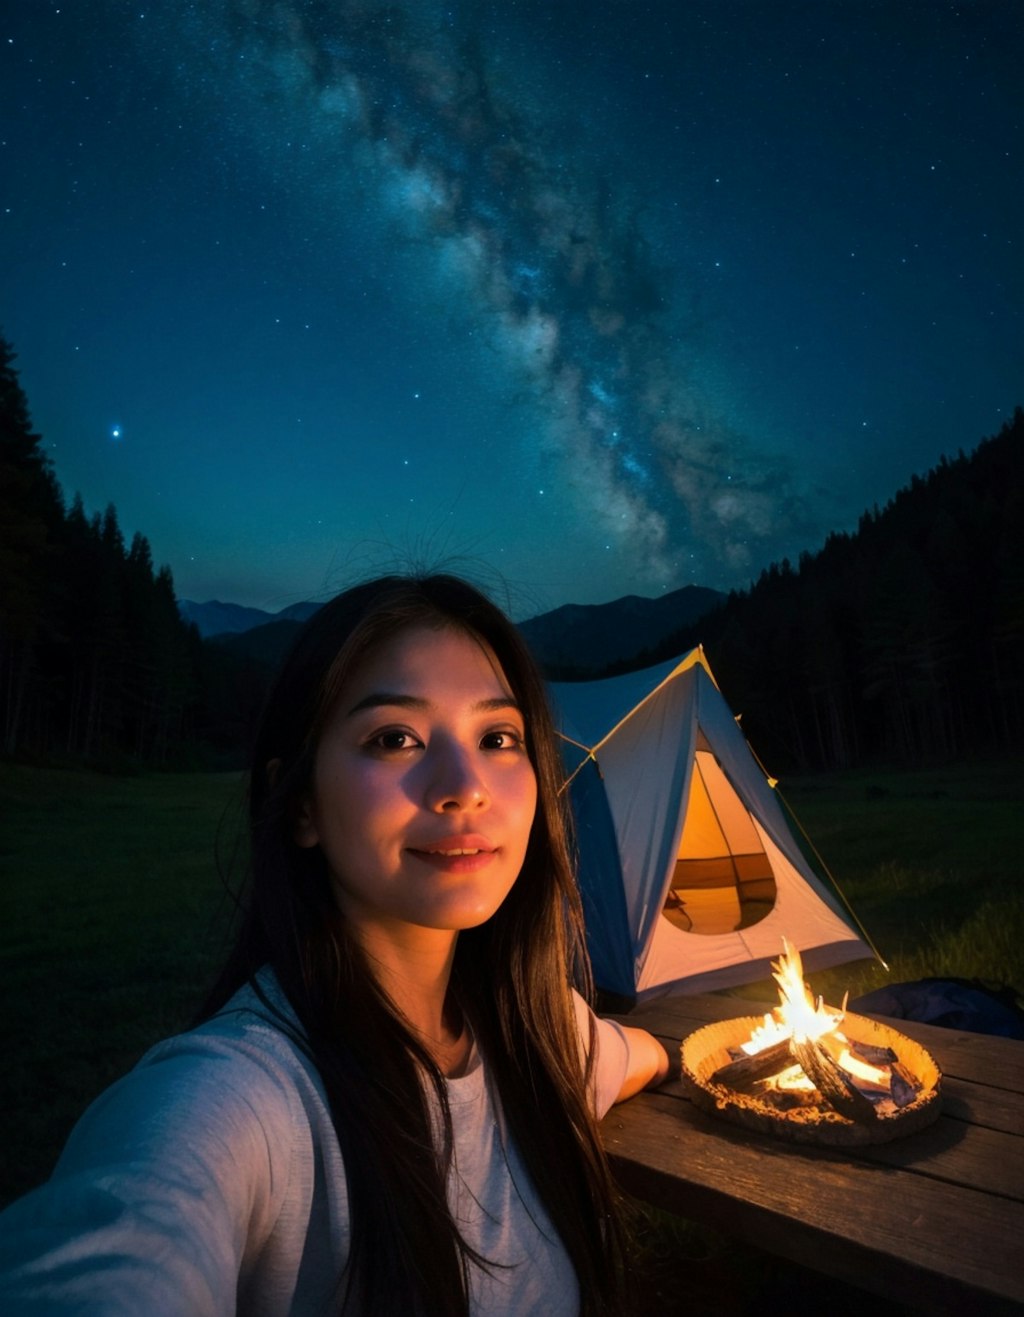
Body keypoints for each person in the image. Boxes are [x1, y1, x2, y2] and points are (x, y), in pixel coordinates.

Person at [0, 574, 669, 1315]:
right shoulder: (241, 1099)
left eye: (497, 737)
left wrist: (692, 1054)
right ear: (304, 805)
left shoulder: (535, 1036)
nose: (465, 785)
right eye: (395, 738)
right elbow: (135, 1226)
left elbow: (628, 1053)